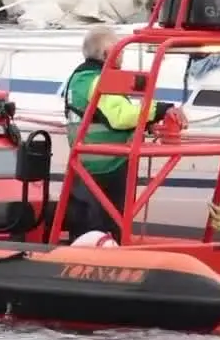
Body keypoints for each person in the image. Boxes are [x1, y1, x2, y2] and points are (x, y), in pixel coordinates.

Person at [61, 25, 174, 243]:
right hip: (107, 166)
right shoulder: (100, 80)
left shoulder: (80, 78)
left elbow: (101, 115)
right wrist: (159, 110)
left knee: (88, 223)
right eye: (120, 52)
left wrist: (144, 123)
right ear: (107, 53)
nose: (122, 58)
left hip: (87, 164)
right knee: (109, 224)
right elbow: (120, 116)